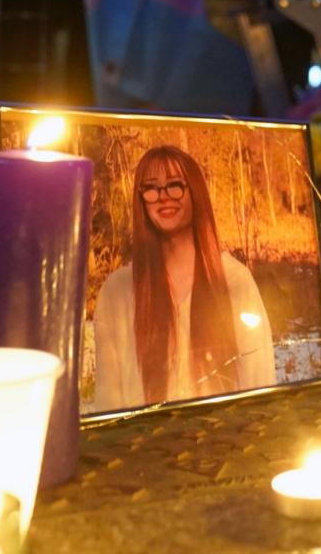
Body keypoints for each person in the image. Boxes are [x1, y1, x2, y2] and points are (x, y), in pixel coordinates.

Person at [93, 146, 275, 411]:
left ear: (196, 192)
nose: (163, 197)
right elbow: (108, 397)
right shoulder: (118, 292)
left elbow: (261, 384)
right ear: (141, 199)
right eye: (152, 188)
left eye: (175, 185)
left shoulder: (234, 281)